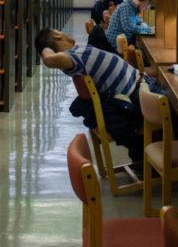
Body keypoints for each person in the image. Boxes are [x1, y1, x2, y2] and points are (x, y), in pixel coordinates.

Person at [36, 27, 167, 162]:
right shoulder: (72, 57)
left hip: (141, 87)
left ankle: (150, 156)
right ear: (57, 35)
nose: (64, 32)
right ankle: (164, 162)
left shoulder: (76, 51)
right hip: (141, 91)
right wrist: (44, 48)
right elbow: (50, 60)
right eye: (59, 31)